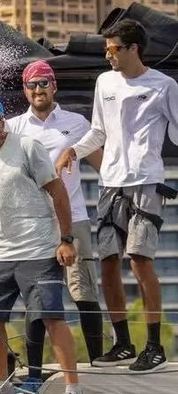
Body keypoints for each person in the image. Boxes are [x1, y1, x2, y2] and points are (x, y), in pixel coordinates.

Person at [56, 19, 178, 372]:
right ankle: (123, 342)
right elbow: (97, 131)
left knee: (140, 261)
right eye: (105, 49)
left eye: (113, 49)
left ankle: (154, 346)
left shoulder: (164, 85)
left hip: (146, 182)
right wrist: (74, 151)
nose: (108, 55)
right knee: (108, 264)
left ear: (133, 48)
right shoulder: (104, 82)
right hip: (111, 183)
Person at [0, 96, 88, 394]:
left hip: (40, 248)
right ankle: (2, 386)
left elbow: (57, 192)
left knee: (51, 317)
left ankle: (74, 392)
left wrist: (66, 239)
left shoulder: (28, 147)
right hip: (0, 252)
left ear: (0, 121)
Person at [7, 60, 105, 394]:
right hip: (33, 222)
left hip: (74, 217)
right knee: (38, 299)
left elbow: (104, 165)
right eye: (32, 85)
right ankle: (33, 376)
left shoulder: (77, 123)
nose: (38, 90)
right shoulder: (14, 127)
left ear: (54, 87)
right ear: (25, 90)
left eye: (44, 84)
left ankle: (98, 368)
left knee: (84, 292)